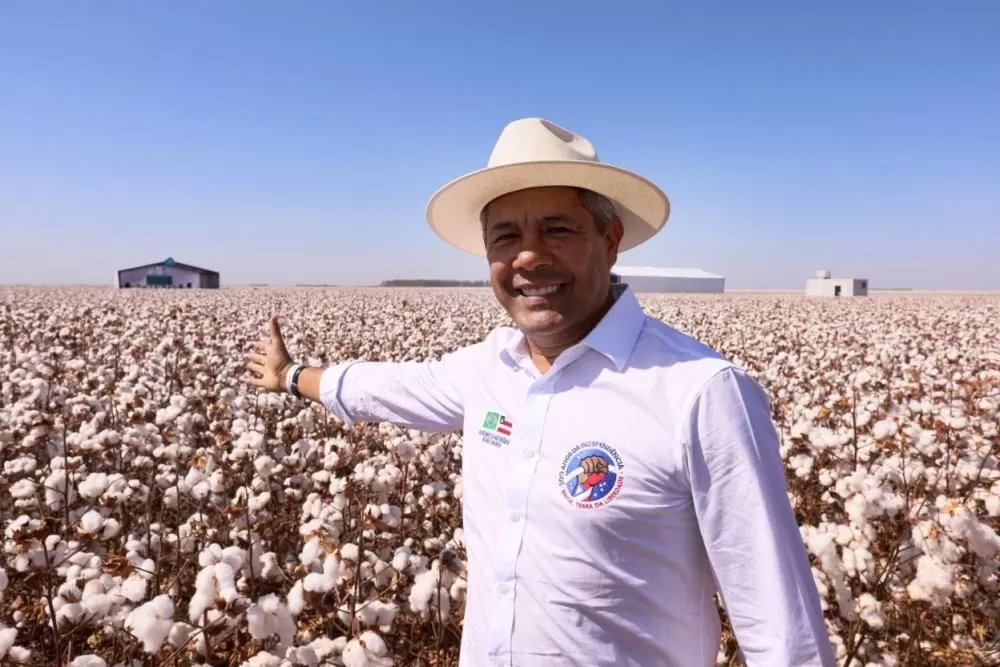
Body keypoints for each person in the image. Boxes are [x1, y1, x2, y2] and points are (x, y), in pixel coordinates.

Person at [245, 117, 837, 666]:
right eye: (506, 237)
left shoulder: (701, 393)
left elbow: (781, 627)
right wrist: (293, 376)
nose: (528, 256)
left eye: (557, 229)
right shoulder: (487, 370)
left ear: (610, 239)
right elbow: (384, 386)